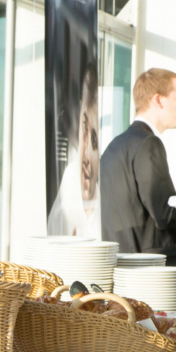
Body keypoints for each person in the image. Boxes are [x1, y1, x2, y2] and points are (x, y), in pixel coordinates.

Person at [100, 68, 176, 268]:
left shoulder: (115, 147)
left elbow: (142, 210)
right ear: (158, 100)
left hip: (126, 264)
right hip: (156, 267)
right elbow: (164, 217)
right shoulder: (148, 143)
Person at [47, 66, 101, 237]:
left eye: (93, 139)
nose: (85, 153)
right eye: (84, 127)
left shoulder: (104, 193)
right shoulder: (71, 176)